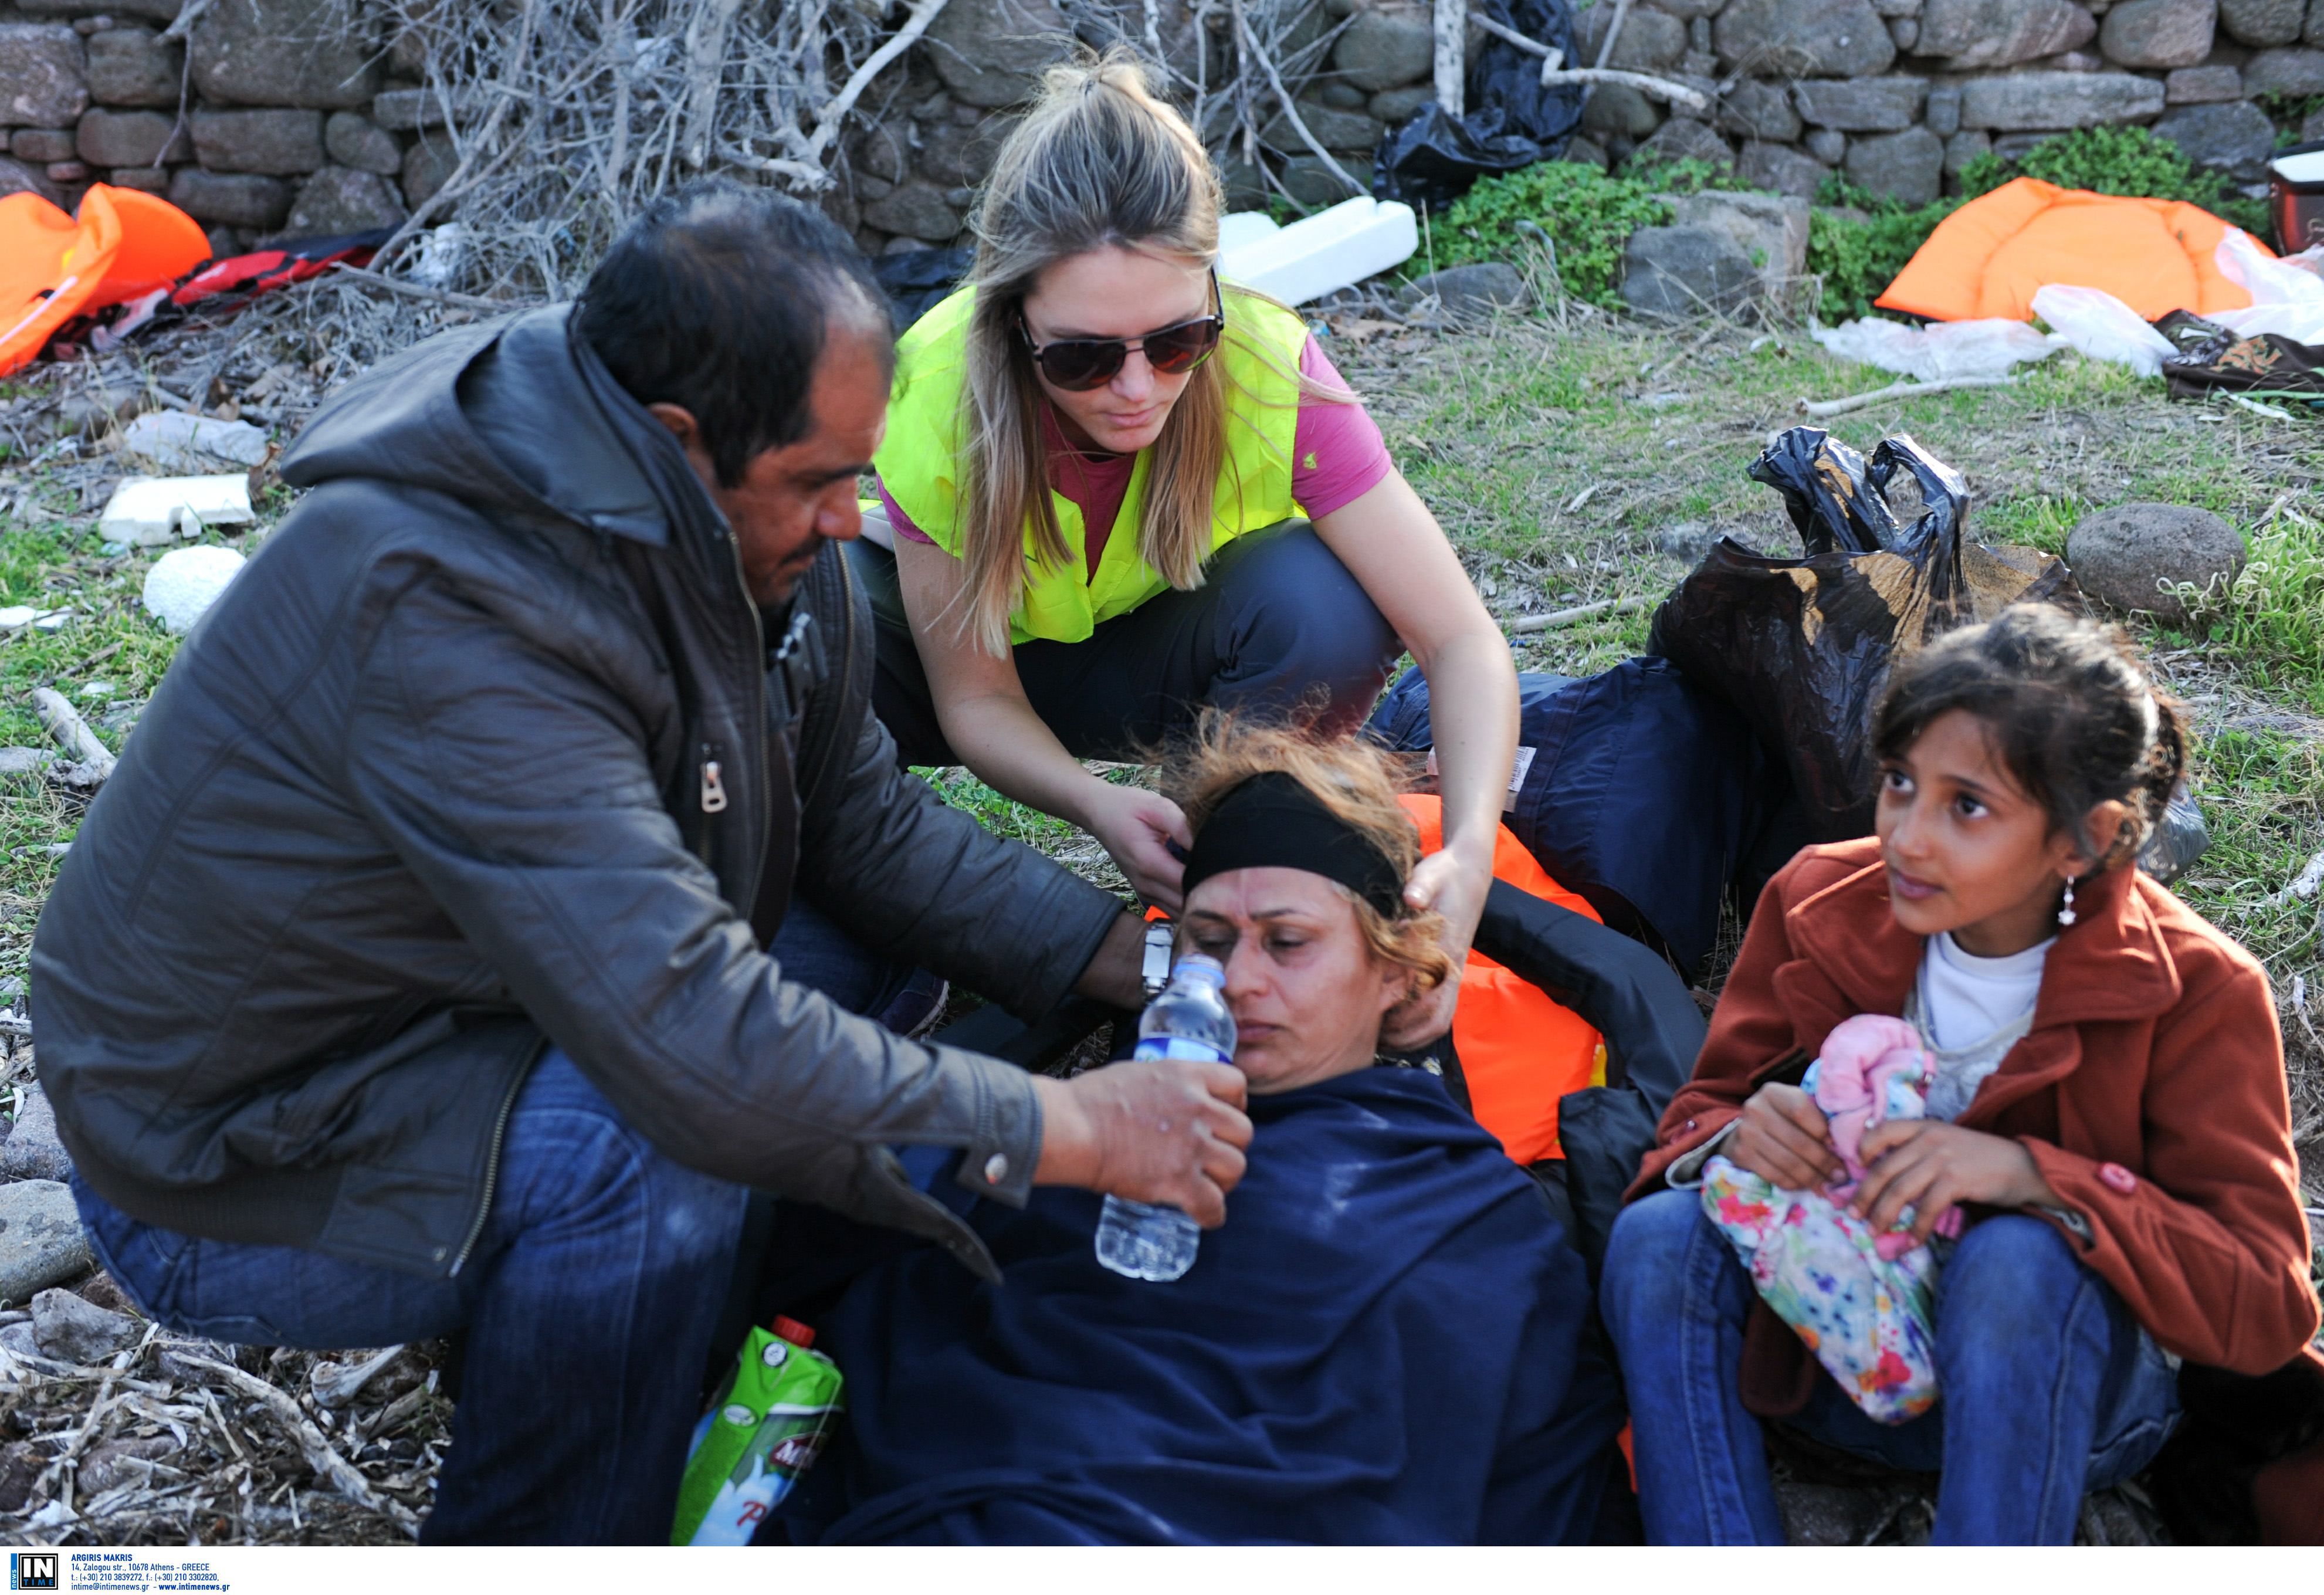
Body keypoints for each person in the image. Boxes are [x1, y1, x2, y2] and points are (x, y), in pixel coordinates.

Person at [28, 184, 1256, 1544]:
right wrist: (1065, 1127)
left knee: (846, 951)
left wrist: (1151, 960)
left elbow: (861, 827)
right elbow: (692, 1044)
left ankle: (642, 1324)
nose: (853, 520)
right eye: (816, 481)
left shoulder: (721, 527)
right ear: (679, 448)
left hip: (460, 1002)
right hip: (231, 1149)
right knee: (654, 1135)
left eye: (859, 471)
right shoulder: (444, 604)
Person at [773, 719, 1629, 1545]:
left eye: (1287, 943)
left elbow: (1500, 1457)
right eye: (1208, 942)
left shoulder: (1467, 1218)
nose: (1237, 981)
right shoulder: (1071, 1133)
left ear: (1393, 972)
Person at [1599, 606, 2319, 1544]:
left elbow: (2264, 1302)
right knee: (1658, 1237)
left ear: (2084, 837)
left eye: (1966, 806)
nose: (1906, 837)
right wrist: (1740, 1133)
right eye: (1900, 783)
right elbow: (1696, 1117)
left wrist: (2034, 1181)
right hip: (1833, 1362)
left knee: (2014, 1256)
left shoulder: (2195, 989)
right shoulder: (1816, 898)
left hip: (2074, 1401)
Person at [856, 52, 1519, 1038]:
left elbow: (1460, 641)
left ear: (1212, 290)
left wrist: (1468, 853)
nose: (1135, 389)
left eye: (1174, 343)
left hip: (1153, 662)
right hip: (965, 668)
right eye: (1082, 356)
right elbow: (977, 697)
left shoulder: (1263, 363)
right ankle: (867, 924)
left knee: (1322, 600)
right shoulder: (937, 389)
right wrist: (1092, 806)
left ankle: (1216, 890)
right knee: (795, 621)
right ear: (1012, 323)